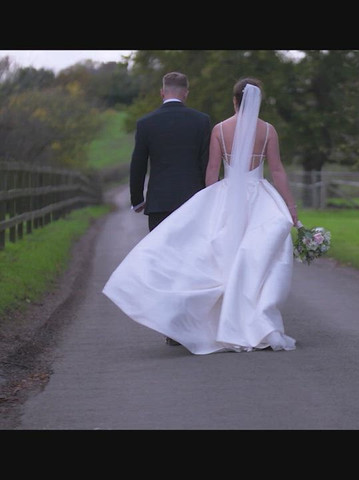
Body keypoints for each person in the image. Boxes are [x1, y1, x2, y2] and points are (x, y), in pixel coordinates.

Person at [103, 78, 300, 355]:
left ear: (234, 100)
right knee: (256, 261)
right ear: (258, 100)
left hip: (227, 194)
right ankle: (256, 320)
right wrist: (290, 208)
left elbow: (211, 170)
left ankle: (216, 321)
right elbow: (277, 170)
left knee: (220, 260)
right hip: (260, 199)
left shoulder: (219, 129)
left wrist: (209, 202)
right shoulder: (268, 130)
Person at [130, 72, 211, 231]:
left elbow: (138, 165)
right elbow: (206, 162)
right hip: (194, 201)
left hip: (159, 203)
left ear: (162, 92)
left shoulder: (146, 123)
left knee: (161, 255)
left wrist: (137, 200)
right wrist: (209, 196)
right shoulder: (202, 121)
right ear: (186, 94)